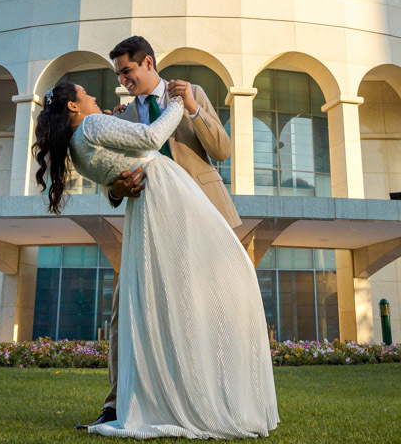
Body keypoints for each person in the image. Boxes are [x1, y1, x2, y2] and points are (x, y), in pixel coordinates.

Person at [32, 79, 278, 439]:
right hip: (164, 197)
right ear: (72, 106)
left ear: (147, 62)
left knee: (188, 298)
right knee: (142, 306)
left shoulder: (79, 141)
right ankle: (138, 400)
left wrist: (189, 102)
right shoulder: (104, 120)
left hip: (186, 200)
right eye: (88, 93)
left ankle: (197, 388)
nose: (119, 83)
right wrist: (177, 107)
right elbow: (139, 152)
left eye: (126, 70)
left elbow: (221, 150)